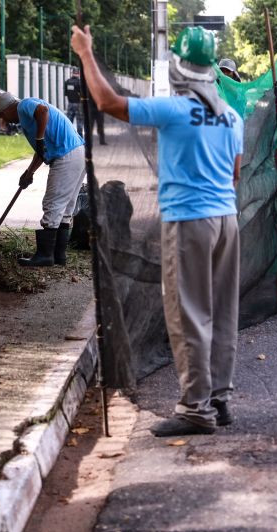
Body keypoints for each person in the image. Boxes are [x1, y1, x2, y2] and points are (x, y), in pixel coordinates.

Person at [72, 24, 243, 437]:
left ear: (181, 68)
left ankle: (195, 409)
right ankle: (218, 397)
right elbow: (235, 174)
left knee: (188, 315)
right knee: (221, 312)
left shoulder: (174, 109)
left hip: (189, 222)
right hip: (227, 221)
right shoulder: (231, 115)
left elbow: (108, 101)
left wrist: (85, 53)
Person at [0, 91, 85, 267]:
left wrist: (40, 138)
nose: (6, 120)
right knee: (65, 208)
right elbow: (41, 151)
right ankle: (59, 256)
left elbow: (42, 111)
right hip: (77, 152)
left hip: (67, 154)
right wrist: (29, 173)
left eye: (2, 115)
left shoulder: (25, 105)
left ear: (7, 109)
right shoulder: (27, 118)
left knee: (53, 204)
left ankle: (45, 256)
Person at [65, 69, 85, 137]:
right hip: (79, 104)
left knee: (69, 121)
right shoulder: (80, 82)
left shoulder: (67, 82)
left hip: (70, 104)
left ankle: (68, 136)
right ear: (78, 74)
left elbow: (66, 93)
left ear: (72, 73)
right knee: (79, 121)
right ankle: (80, 137)